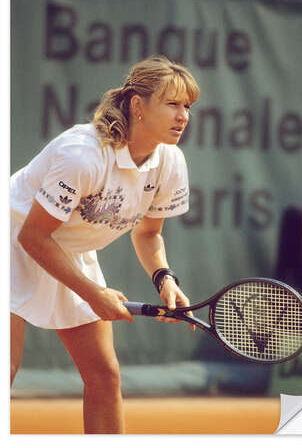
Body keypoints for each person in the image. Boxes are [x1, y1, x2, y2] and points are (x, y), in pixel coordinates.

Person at [10, 56, 200, 434]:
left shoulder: (170, 162)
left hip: (68, 251)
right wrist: (95, 294)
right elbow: (31, 237)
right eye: (172, 103)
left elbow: (147, 233)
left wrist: (164, 278)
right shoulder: (82, 154)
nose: (183, 116)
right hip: (12, 241)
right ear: (137, 105)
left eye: (188, 106)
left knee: (105, 376)